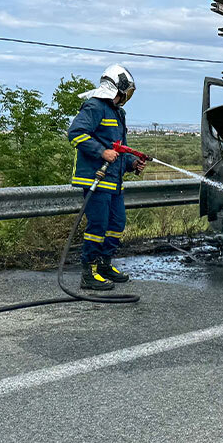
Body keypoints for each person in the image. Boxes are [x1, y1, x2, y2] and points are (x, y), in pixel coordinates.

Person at [66, 65, 145, 291]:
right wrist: (101, 152)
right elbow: (76, 134)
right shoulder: (95, 107)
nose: (127, 97)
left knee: (116, 224)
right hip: (95, 180)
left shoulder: (118, 113)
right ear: (116, 88)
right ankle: (88, 273)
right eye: (126, 91)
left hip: (114, 180)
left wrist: (132, 163)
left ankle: (104, 265)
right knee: (98, 226)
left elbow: (119, 149)